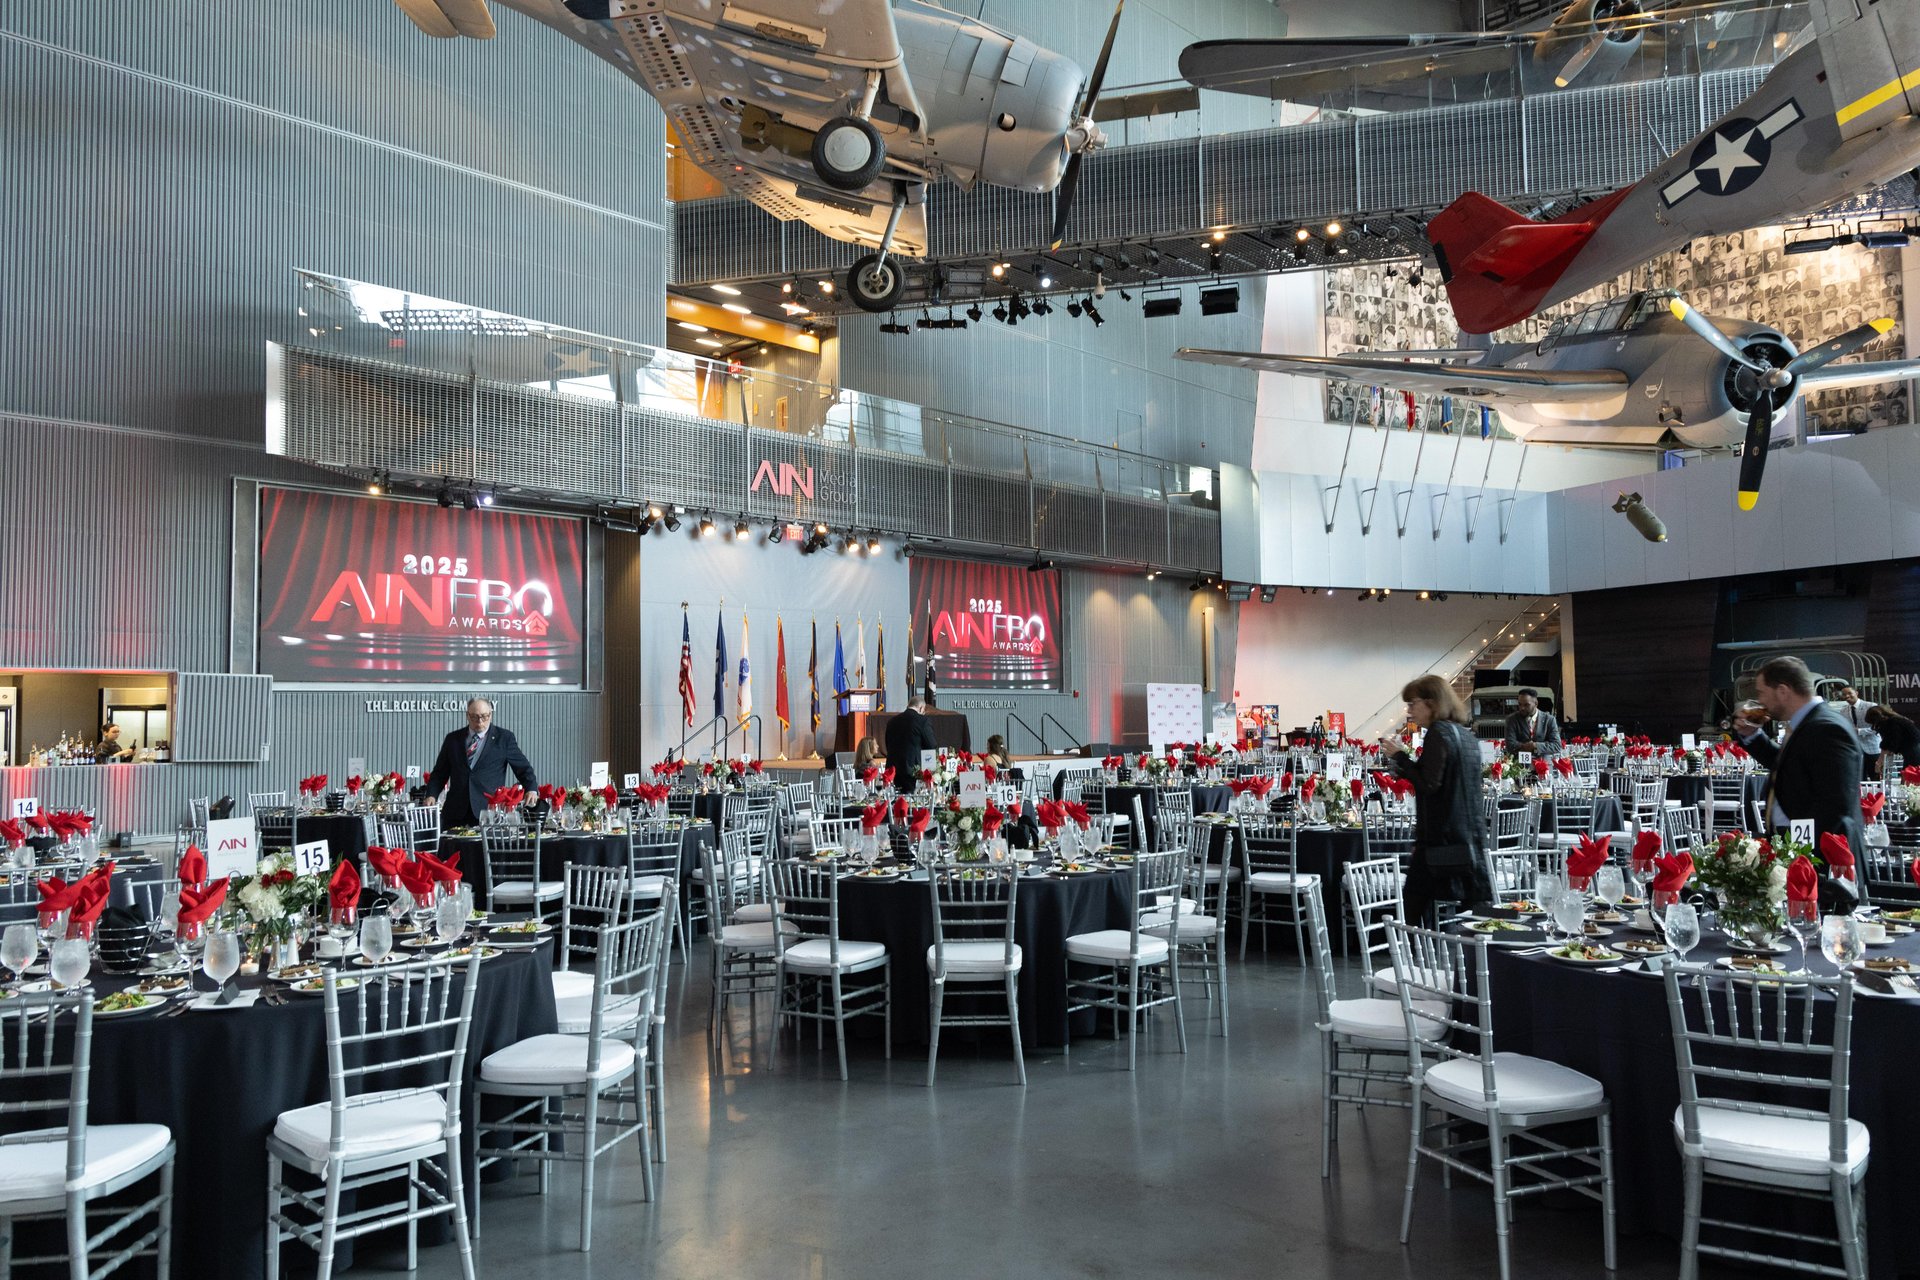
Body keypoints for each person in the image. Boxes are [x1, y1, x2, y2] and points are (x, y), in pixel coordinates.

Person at [1734, 657, 1864, 897]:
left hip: (1822, 861)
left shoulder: (1827, 727)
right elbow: (1787, 767)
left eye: (1762, 692)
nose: (1760, 701)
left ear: (1782, 691)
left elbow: (1836, 805)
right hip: (1798, 849)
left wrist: (1800, 853)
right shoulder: (1808, 723)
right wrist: (1753, 736)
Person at [1381, 674, 1494, 927]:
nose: (1409, 711)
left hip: (1440, 838)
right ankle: (1472, 961)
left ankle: (1412, 961)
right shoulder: (1465, 736)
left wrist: (1401, 758)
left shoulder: (1438, 732)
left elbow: (1429, 784)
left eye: (1412, 703)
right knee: (1472, 914)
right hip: (1468, 836)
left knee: (1413, 907)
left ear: (1431, 702)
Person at [424, 697, 538, 828]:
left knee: (483, 848)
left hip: (488, 810)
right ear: (467, 715)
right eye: (474, 717)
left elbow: (523, 768)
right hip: (455, 811)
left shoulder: (504, 738)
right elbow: (440, 772)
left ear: (491, 714)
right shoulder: (453, 739)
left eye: (484, 716)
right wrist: (431, 794)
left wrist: (531, 789)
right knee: (452, 847)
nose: (480, 721)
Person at [883, 693, 939, 793]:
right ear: (921, 708)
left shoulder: (892, 722)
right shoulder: (923, 721)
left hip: (892, 772)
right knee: (914, 804)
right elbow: (931, 745)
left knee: (896, 803)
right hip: (913, 772)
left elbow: (888, 744)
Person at [1836, 685, 1882, 779]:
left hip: (1873, 748)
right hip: (1855, 749)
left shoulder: (1871, 706)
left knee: (1876, 778)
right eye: (1844, 694)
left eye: (1849, 693)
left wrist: (1860, 731)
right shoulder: (1843, 711)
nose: (1847, 696)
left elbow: (1879, 727)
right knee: (1859, 779)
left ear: (1856, 693)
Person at [1503, 689, 1562, 758]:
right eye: (1520, 704)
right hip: (1519, 765)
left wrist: (1535, 746)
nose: (1522, 708)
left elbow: (1557, 746)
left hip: (1544, 764)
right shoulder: (1512, 719)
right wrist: (1526, 746)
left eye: (1526, 705)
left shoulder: (1549, 720)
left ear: (1536, 703)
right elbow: (1510, 745)